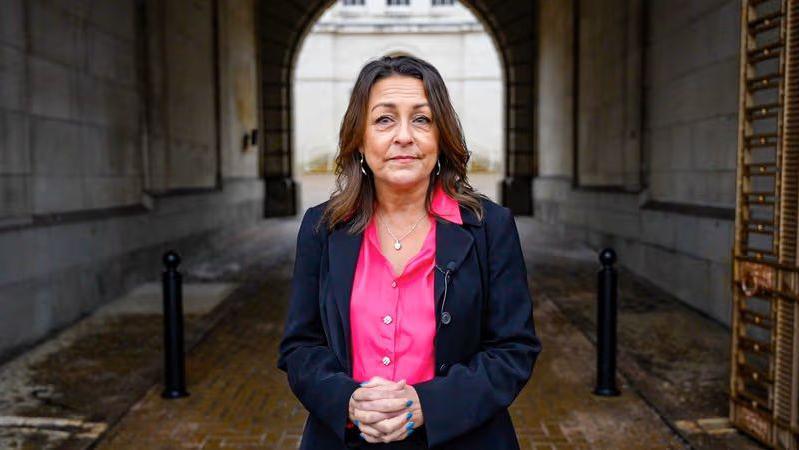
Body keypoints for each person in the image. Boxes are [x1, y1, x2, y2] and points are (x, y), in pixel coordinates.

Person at [277, 55, 541, 449]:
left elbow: (513, 350)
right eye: (384, 119)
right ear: (359, 140)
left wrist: (429, 406)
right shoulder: (323, 228)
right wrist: (348, 401)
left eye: (422, 119)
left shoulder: (490, 227)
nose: (404, 135)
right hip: (346, 438)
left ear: (441, 137)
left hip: (464, 438)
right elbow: (300, 347)